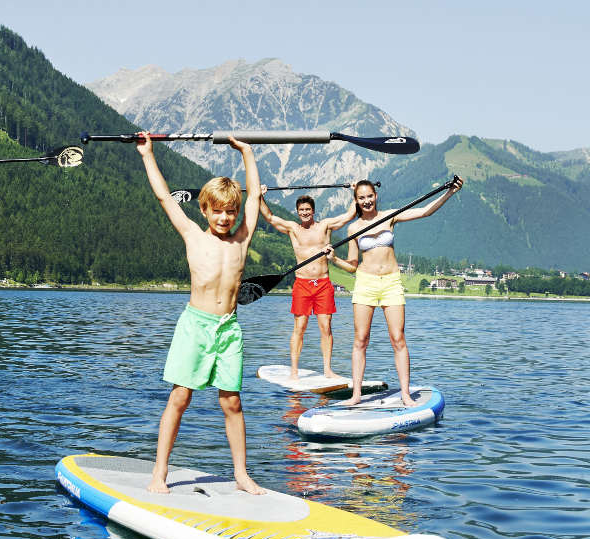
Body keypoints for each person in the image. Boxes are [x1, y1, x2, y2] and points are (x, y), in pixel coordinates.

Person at [136, 131, 265, 495]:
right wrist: (148, 154)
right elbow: (163, 196)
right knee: (180, 397)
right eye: (218, 210)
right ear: (205, 209)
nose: (225, 217)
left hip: (229, 329)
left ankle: (241, 475)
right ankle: (159, 474)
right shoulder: (193, 235)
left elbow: (254, 196)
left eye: (230, 211)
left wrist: (247, 153)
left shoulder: (242, 239)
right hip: (195, 326)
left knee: (232, 401)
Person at [328, 178, 462, 406]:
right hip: (365, 283)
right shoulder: (354, 228)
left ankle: (406, 394)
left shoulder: (390, 216)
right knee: (361, 340)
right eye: (361, 198)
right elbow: (352, 265)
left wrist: (449, 193)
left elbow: (425, 212)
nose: (366, 201)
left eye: (369, 196)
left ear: (375, 196)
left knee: (398, 338)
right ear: (356, 201)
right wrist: (334, 259)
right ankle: (356, 395)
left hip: (391, 283)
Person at [257, 185, 357, 380]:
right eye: (301, 210)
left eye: (308, 210)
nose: (304, 213)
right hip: (302, 284)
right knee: (299, 327)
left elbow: (348, 216)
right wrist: (260, 197)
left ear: (313, 211)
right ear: (297, 212)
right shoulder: (292, 229)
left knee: (326, 327)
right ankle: (294, 371)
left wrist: (354, 193)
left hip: (323, 283)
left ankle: (328, 370)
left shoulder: (325, 226)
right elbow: (269, 217)